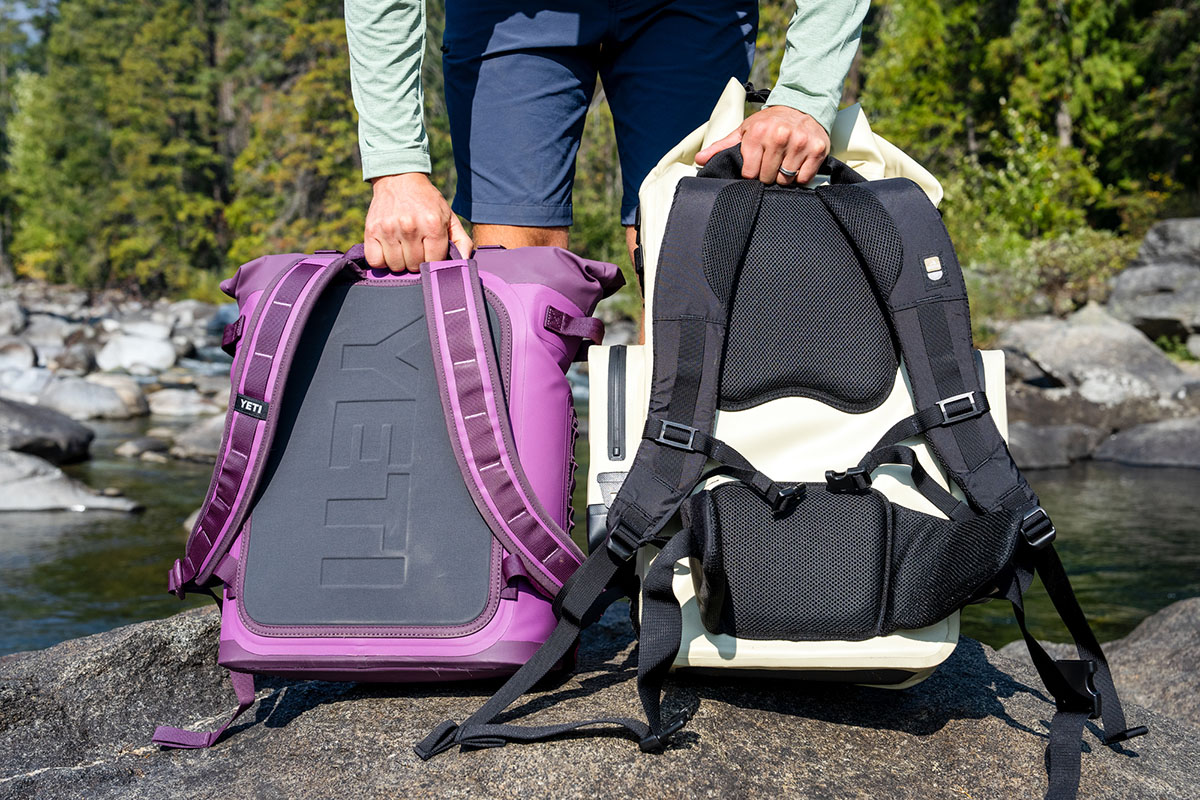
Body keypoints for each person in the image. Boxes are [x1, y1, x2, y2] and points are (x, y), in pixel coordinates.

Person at [345, 1, 869, 273]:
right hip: (510, 11)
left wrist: (804, 94)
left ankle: (681, 450)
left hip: (688, 10)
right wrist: (396, 168)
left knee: (685, 253)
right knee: (518, 273)